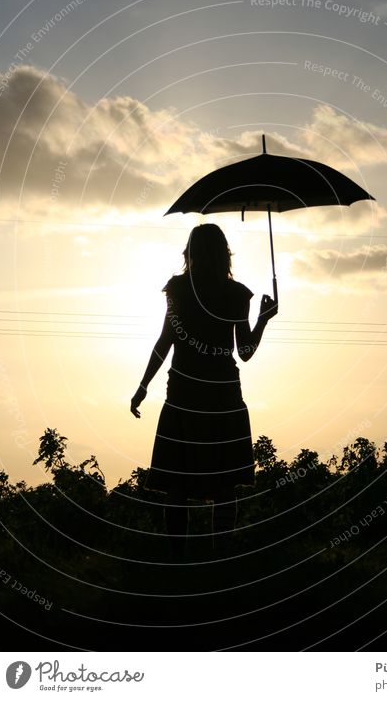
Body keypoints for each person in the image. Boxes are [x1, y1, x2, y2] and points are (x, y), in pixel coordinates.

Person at [130, 223, 278, 561]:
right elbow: (245, 351)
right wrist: (264, 319)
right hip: (223, 397)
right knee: (224, 483)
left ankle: (177, 561)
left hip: (183, 395)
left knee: (177, 485)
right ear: (224, 253)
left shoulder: (179, 291)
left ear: (191, 253)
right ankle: (220, 562)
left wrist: (143, 386)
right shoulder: (237, 294)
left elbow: (165, 342)